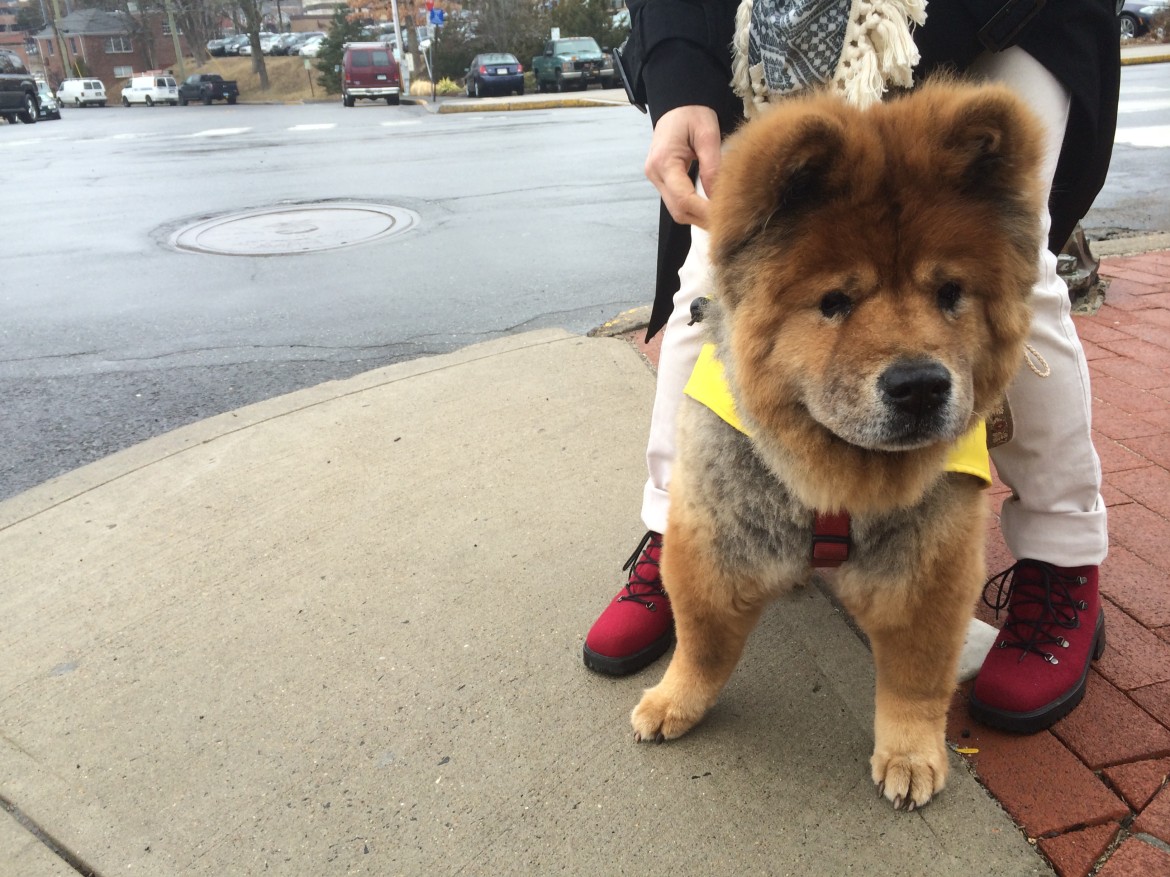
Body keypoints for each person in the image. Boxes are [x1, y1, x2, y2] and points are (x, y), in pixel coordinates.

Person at [583, 0, 1119, 735]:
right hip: (786, 28)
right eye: (841, 302)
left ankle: (1062, 560)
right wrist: (677, 71)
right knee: (710, 275)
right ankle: (679, 534)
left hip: (1009, 17)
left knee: (1025, 274)